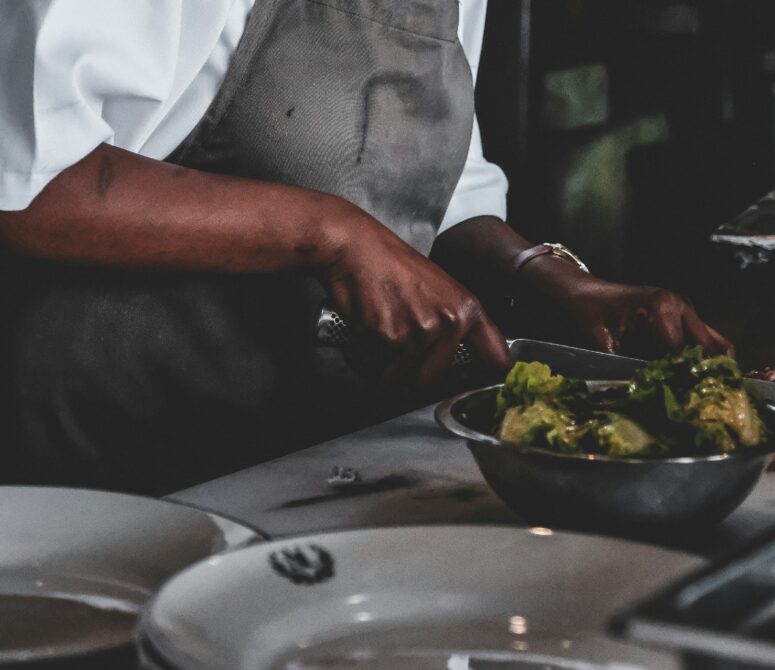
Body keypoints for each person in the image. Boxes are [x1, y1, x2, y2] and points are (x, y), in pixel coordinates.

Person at [0, 0, 731, 493]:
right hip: (113, 460)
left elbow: (430, 177)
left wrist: (542, 271)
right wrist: (327, 232)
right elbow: (31, 182)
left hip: (309, 460)